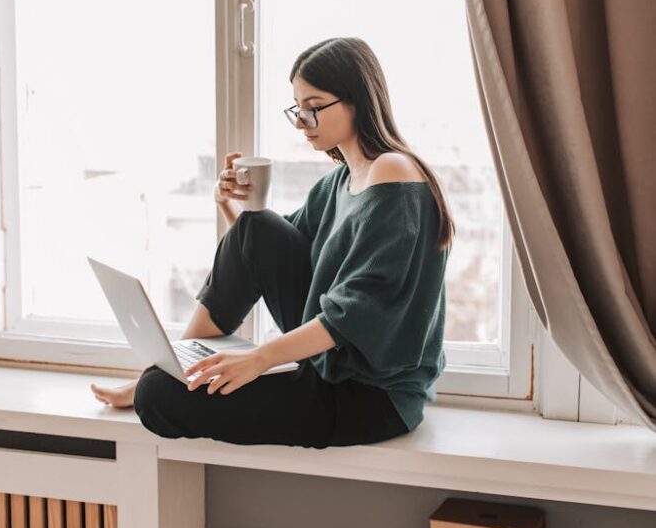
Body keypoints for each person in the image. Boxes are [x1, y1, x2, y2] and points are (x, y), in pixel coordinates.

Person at [91, 37, 455, 447]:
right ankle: (179, 366)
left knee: (155, 397)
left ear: (358, 100)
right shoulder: (337, 182)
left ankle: (168, 377)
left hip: (370, 397)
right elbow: (261, 252)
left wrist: (258, 359)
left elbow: (356, 313)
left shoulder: (393, 172)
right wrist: (233, 209)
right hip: (327, 367)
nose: (301, 122)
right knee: (256, 226)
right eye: (298, 109)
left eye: (314, 108)